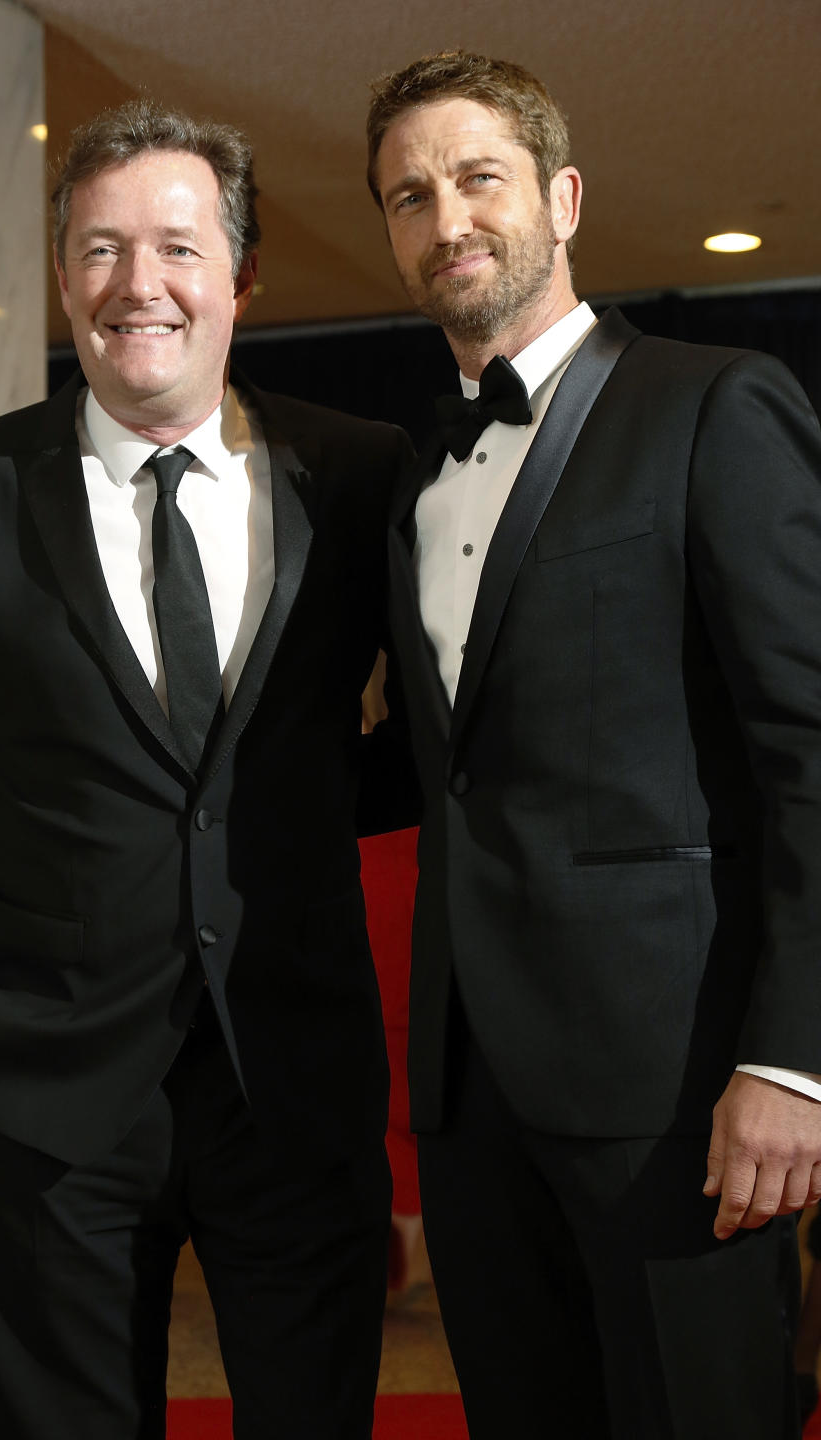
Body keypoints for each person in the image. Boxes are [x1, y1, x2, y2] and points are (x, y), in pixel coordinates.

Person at [0, 99, 412, 1440]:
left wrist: (304, 815)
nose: (137, 284)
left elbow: (445, 741)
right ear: (63, 278)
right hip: (38, 1095)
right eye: (100, 249)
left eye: (175, 244)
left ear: (243, 273)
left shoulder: (359, 475)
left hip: (295, 1082)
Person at [366, 49, 821, 1440]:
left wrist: (793, 1062)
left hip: (679, 1089)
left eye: (479, 177)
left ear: (562, 197)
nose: (448, 217)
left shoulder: (715, 402)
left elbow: (809, 746)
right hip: (468, 1097)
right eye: (409, 194)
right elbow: (438, 766)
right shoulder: (412, 474)